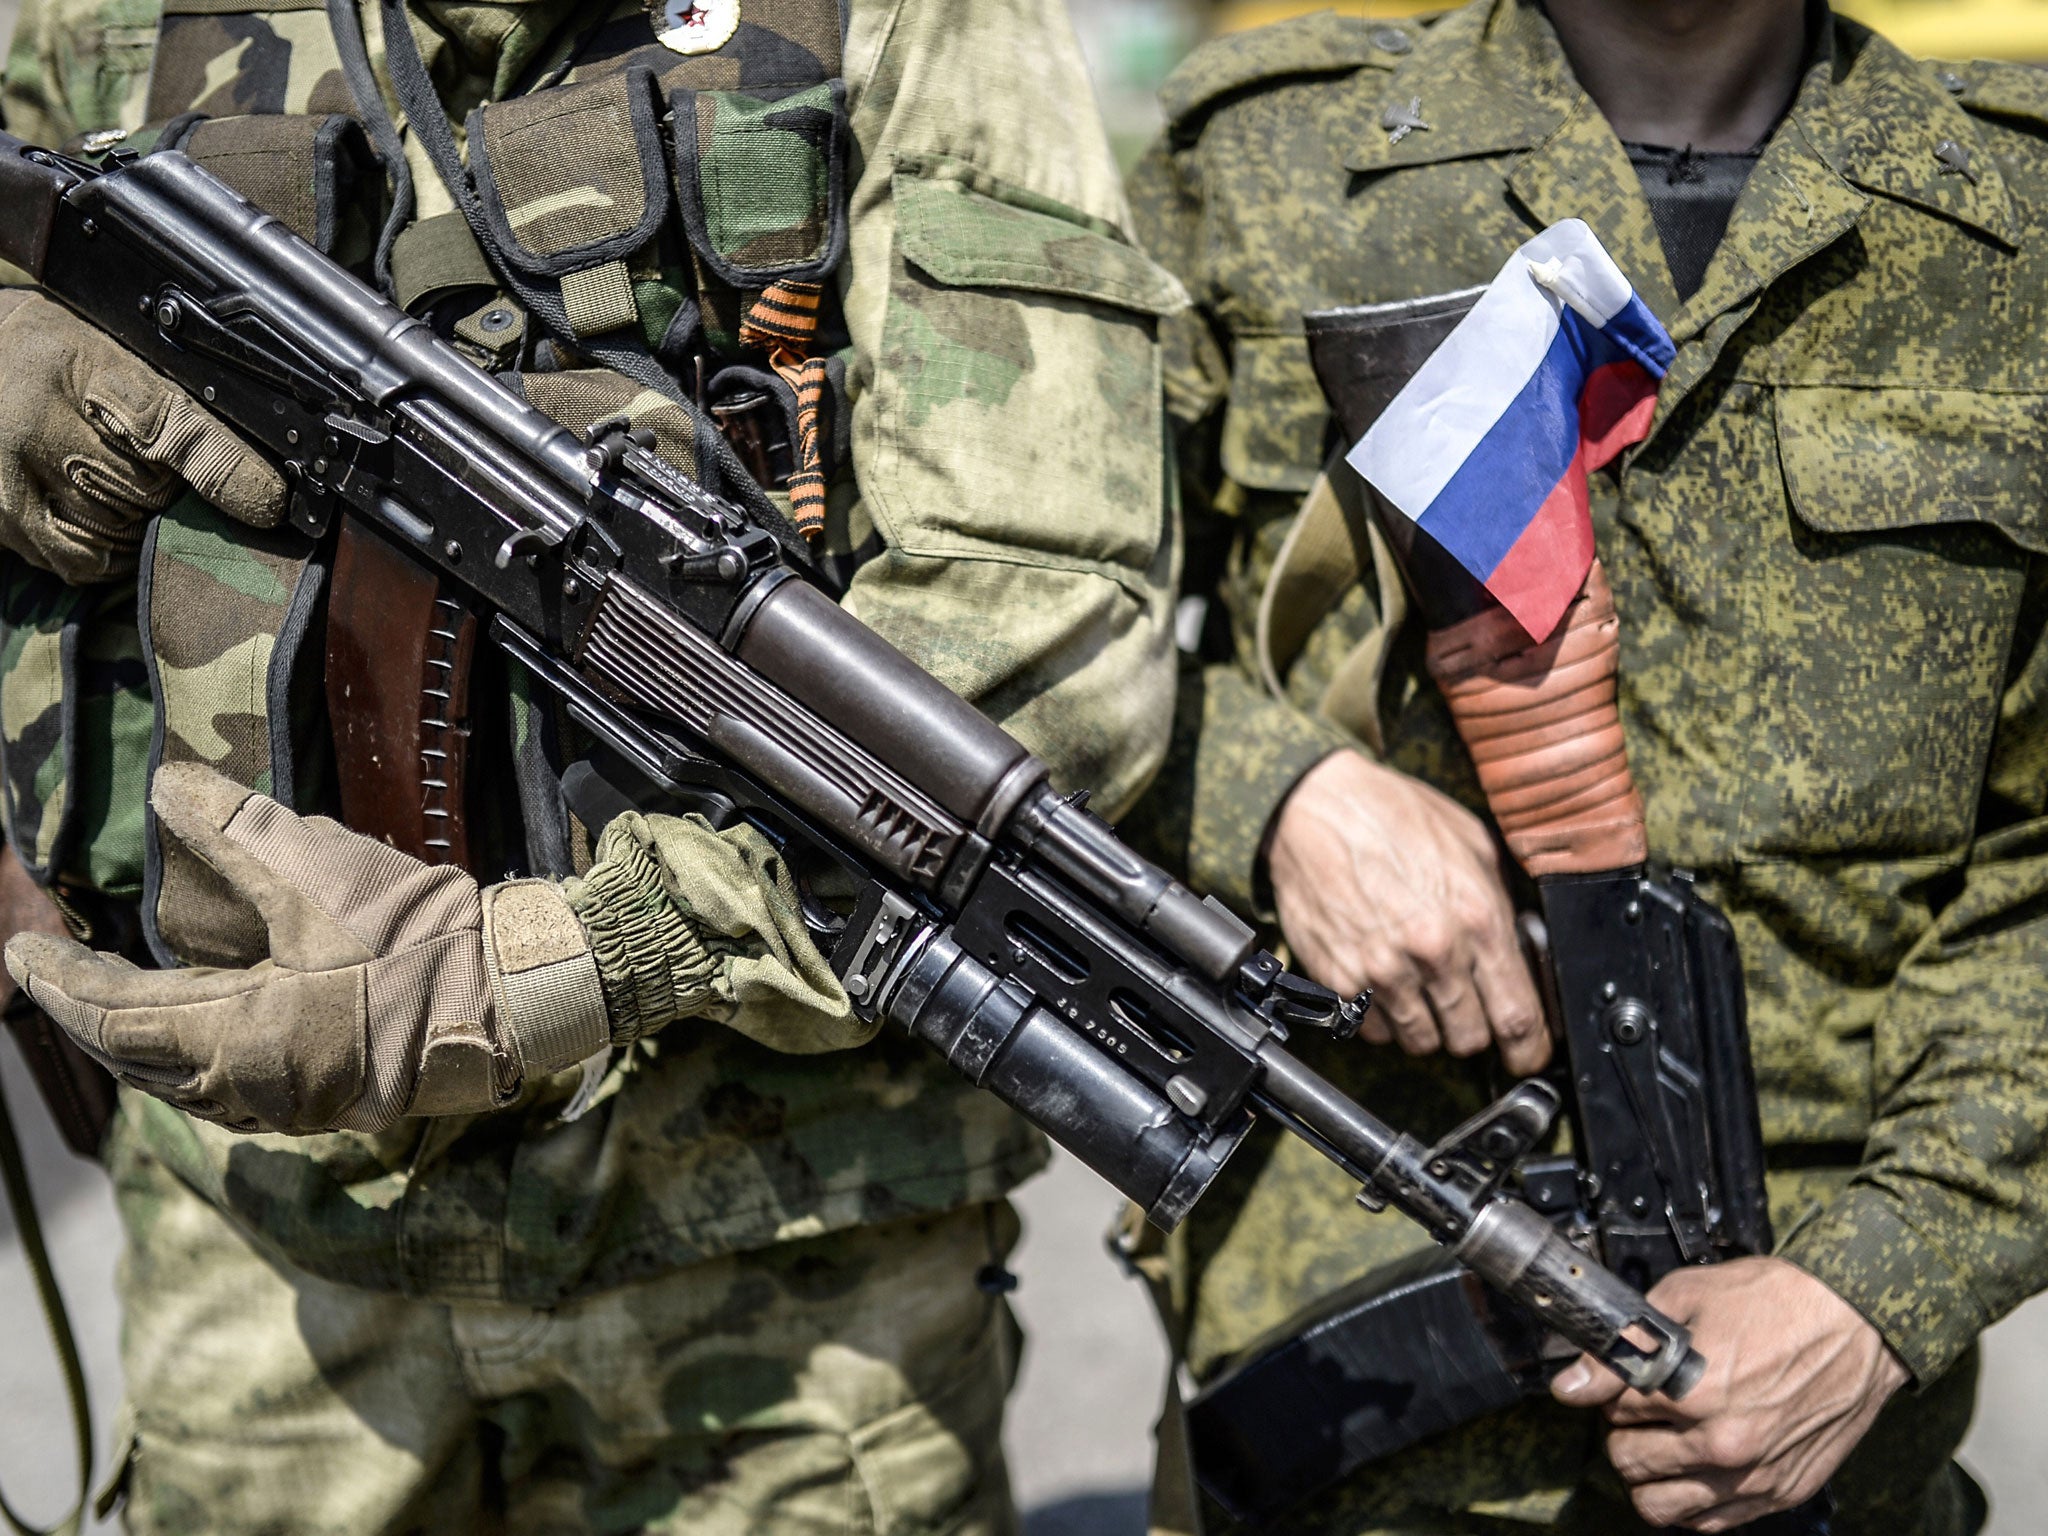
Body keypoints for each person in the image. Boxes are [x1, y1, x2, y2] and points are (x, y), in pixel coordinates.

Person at [0, 0, 1184, 1530]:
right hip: (266, 1242)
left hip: (770, 1272)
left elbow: (1049, 623)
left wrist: (576, 957)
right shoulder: (90, 15)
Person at [1125, 0, 2048, 1531]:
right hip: (1346, 1413)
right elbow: (1017, 633)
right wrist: (1277, 796)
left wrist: (1880, 1285)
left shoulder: (2013, 221)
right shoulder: (1263, 162)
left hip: (1822, 1444)